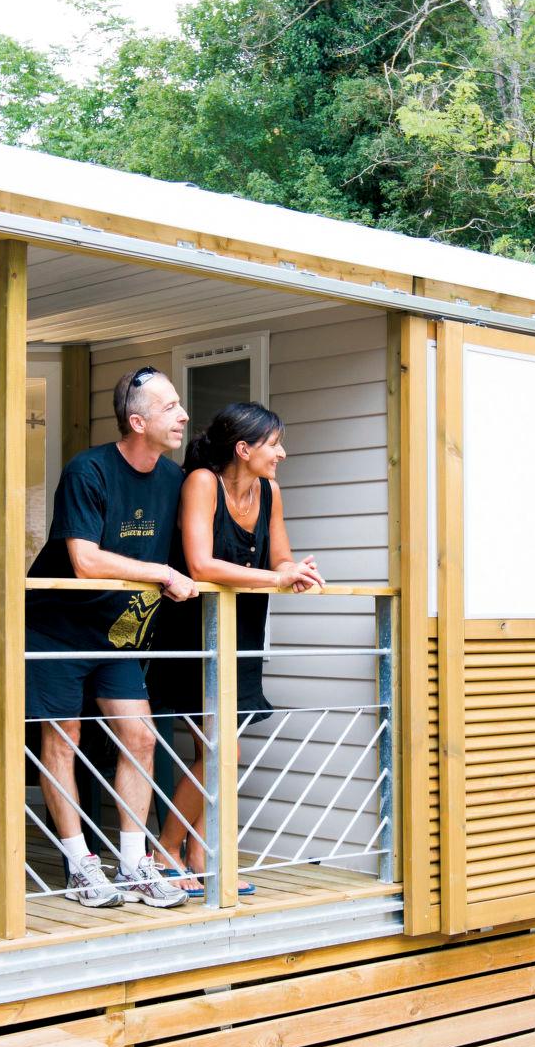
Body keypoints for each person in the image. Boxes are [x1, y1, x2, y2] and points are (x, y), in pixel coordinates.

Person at [25, 365, 195, 908]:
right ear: (137, 420)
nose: (183, 416)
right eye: (170, 407)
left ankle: (134, 864)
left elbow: (188, 554)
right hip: (55, 627)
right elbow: (84, 558)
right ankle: (80, 866)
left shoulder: (175, 479)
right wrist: (162, 574)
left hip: (119, 633)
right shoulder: (89, 469)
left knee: (139, 736)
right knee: (65, 736)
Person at [150, 402, 324, 895]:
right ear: (243, 449)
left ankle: (201, 857)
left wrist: (294, 570)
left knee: (219, 744)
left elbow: (280, 554)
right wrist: (274, 576)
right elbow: (200, 564)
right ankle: (168, 851)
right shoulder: (202, 481)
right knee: (221, 745)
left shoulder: (269, 490)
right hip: (191, 628)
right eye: (274, 444)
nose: (282, 454)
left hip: (242, 628)